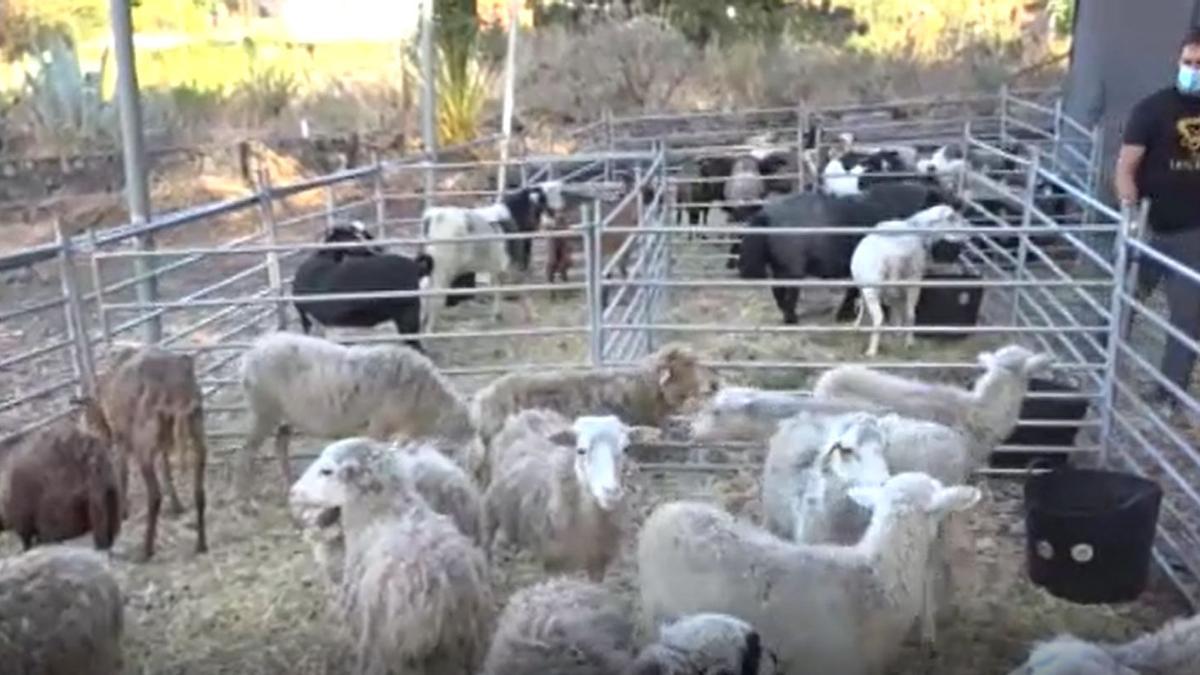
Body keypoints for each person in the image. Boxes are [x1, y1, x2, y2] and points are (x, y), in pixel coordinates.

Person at [1114, 26, 1200, 409]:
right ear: (1178, 61)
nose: (1193, 70)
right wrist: (1129, 208)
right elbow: (1126, 166)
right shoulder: (1152, 109)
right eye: (1188, 62)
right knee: (1124, 296)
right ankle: (1104, 365)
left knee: (1186, 317)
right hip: (1150, 225)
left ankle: (1170, 393)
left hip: (1193, 234)